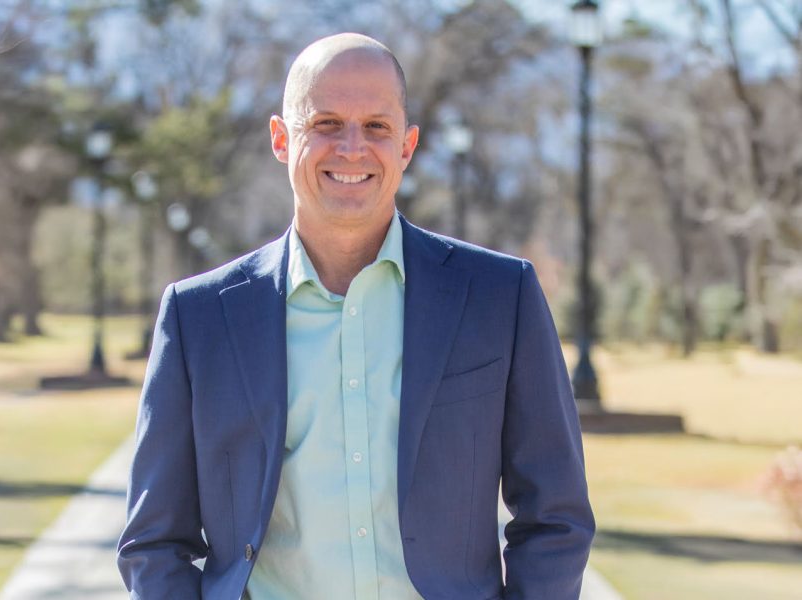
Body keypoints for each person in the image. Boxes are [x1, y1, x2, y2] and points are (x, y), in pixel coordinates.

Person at [117, 33, 594, 600]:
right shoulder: (199, 318)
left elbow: (556, 516)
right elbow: (154, 542)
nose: (351, 148)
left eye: (376, 126)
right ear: (281, 138)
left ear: (407, 146)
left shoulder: (499, 297)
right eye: (326, 124)